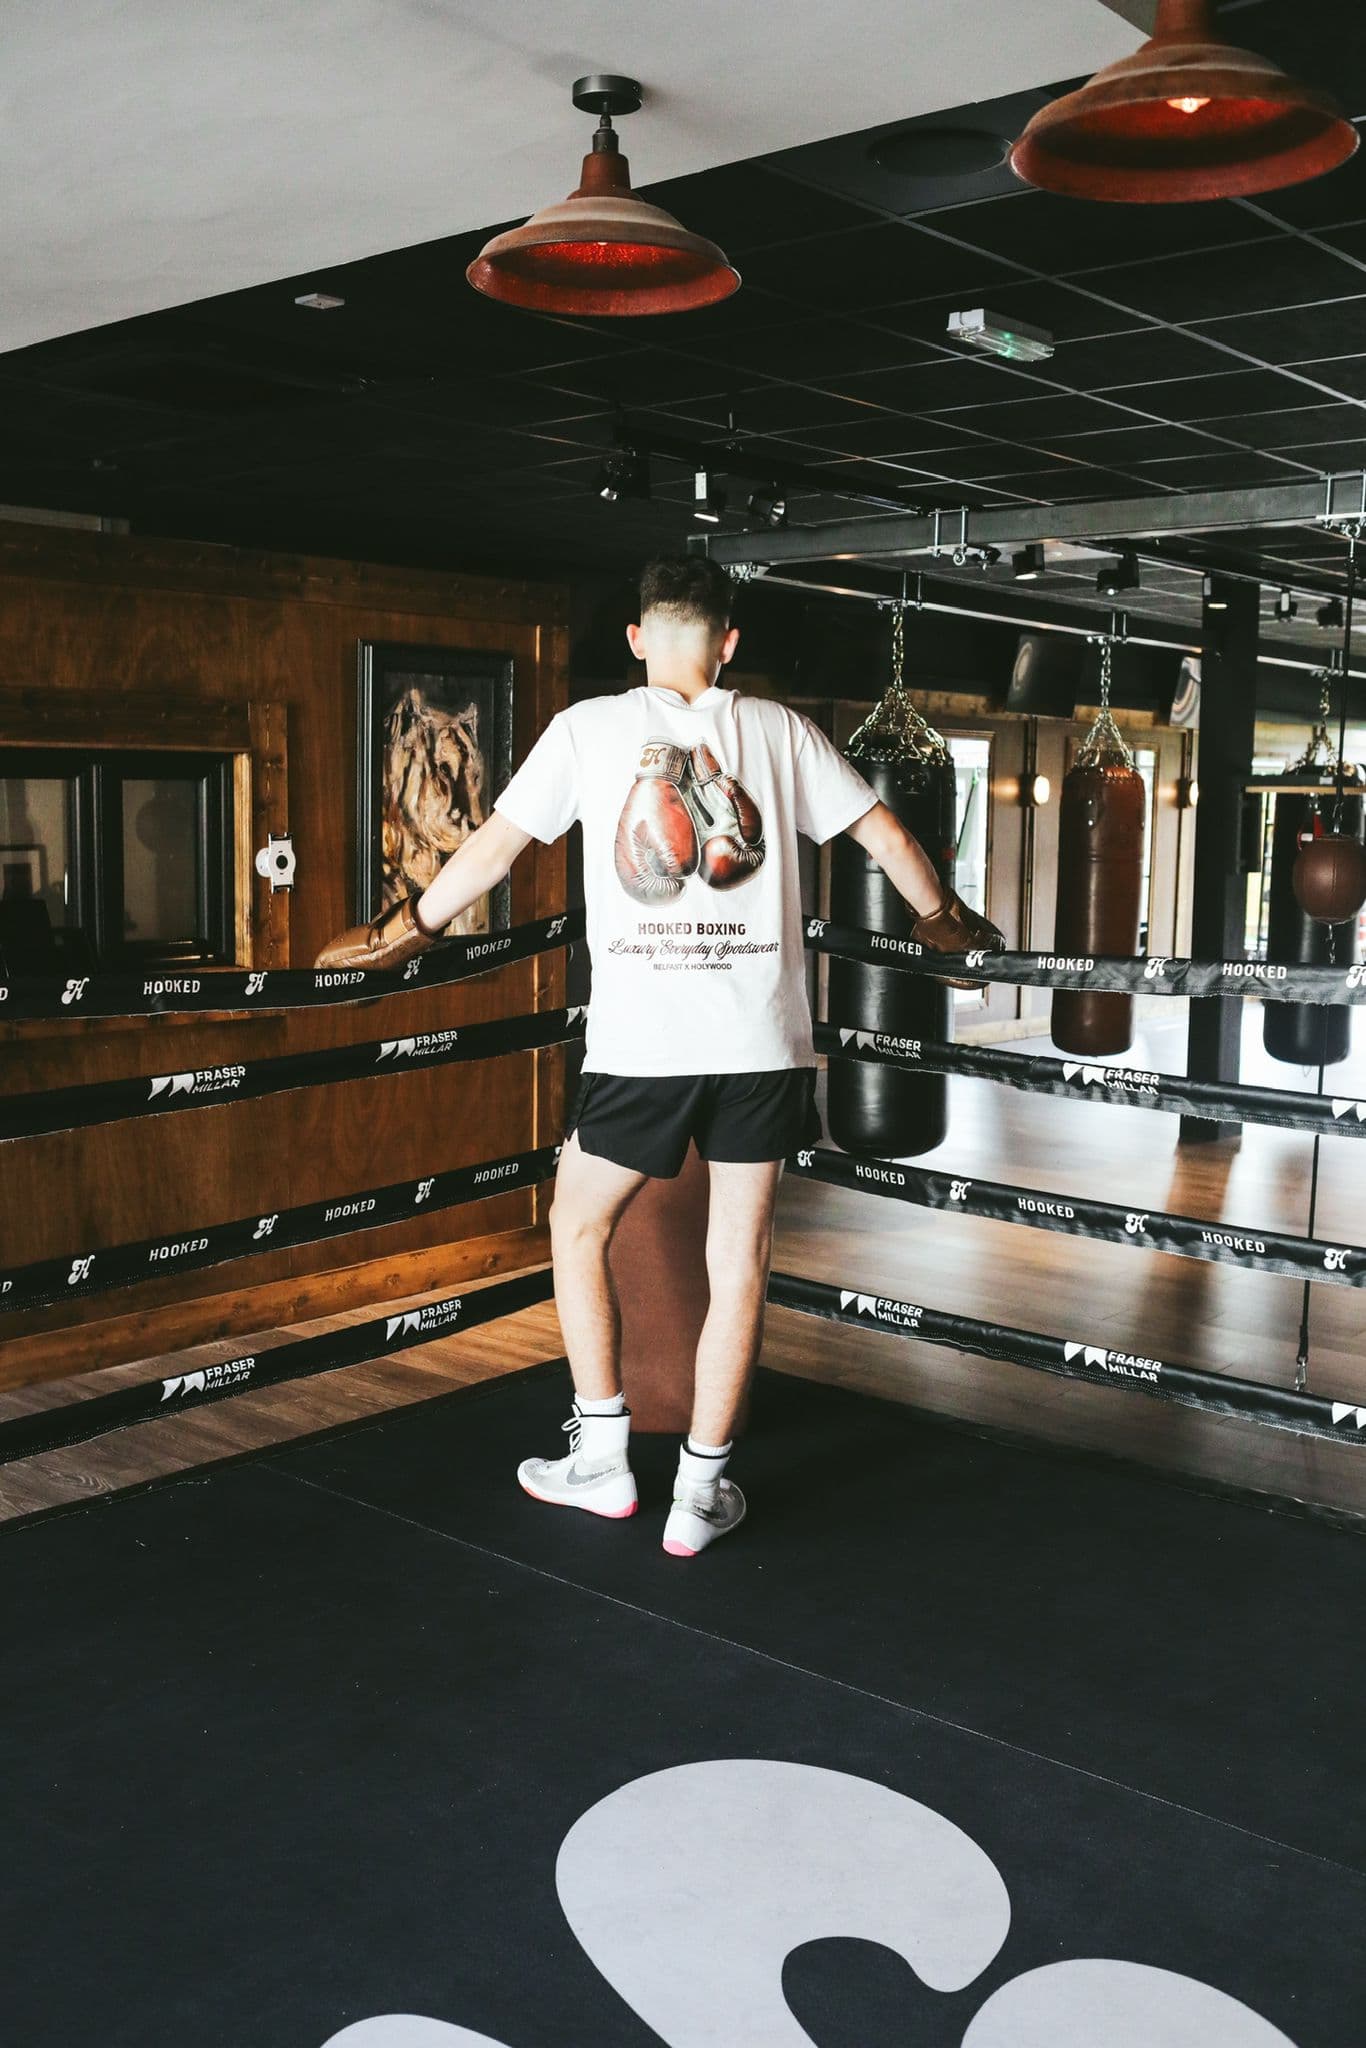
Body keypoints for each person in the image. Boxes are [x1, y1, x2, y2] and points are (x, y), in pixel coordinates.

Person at [317, 555, 1003, 1557]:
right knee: (741, 1262)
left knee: (577, 1226)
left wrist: (407, 929)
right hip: (764, 1048)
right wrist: (941, 919)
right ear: (729, 643)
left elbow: (493, 849)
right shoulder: (776, 728)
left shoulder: (589, 729)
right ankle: (698, 1492)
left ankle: (601, 1458)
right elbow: (884, 833)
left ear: (636, 639)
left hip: (642, 1050)